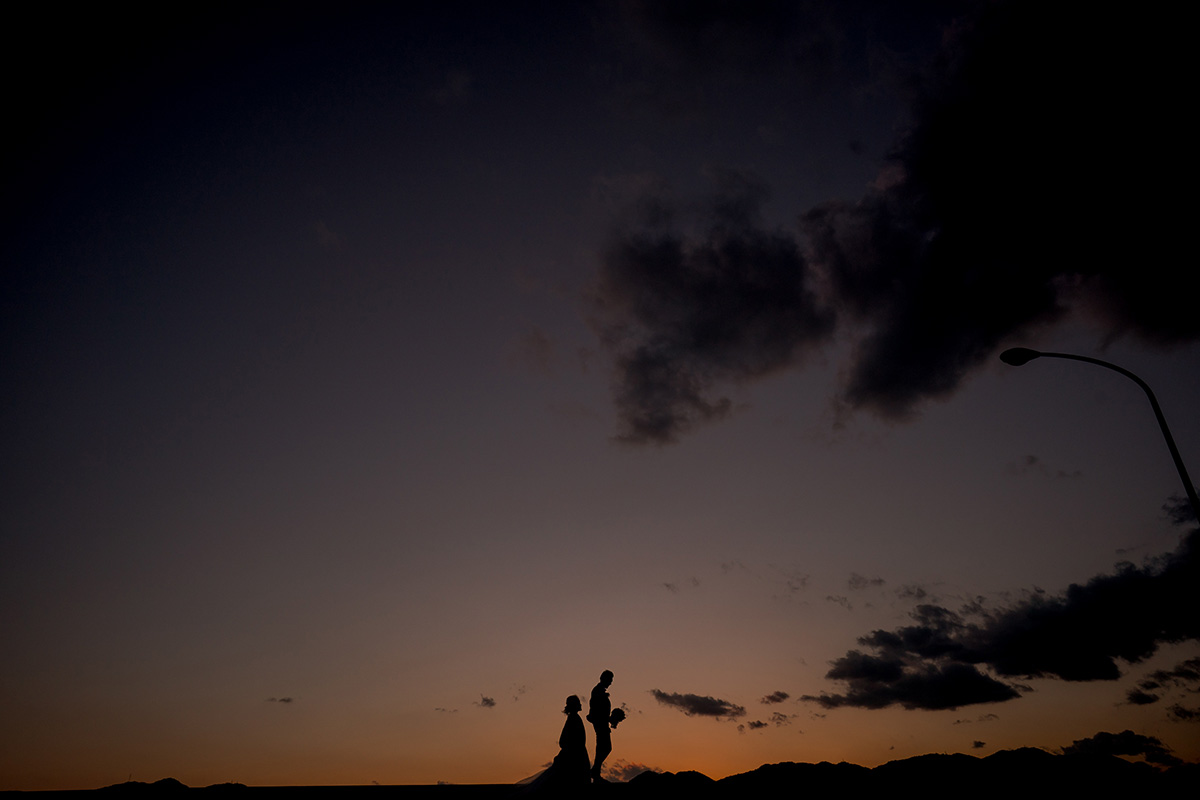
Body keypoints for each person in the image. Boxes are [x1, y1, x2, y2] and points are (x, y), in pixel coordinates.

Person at [517, 695, 590, 796]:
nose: (580, 704)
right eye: (578, 702)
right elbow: (563, 741)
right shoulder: (573, 719)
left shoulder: (574, 718)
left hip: (577, 754)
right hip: (575, 756)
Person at [587, 670, 614, 783]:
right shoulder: (597, 691)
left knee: (603, 747)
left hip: (602, 722)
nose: (611, 683)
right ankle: (595, 771)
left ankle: (596, 771)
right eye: (610, 680)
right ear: (604, 678)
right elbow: (597, 710)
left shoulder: (599, 691)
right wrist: (609, 719)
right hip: (600, 723)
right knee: (605, 747)